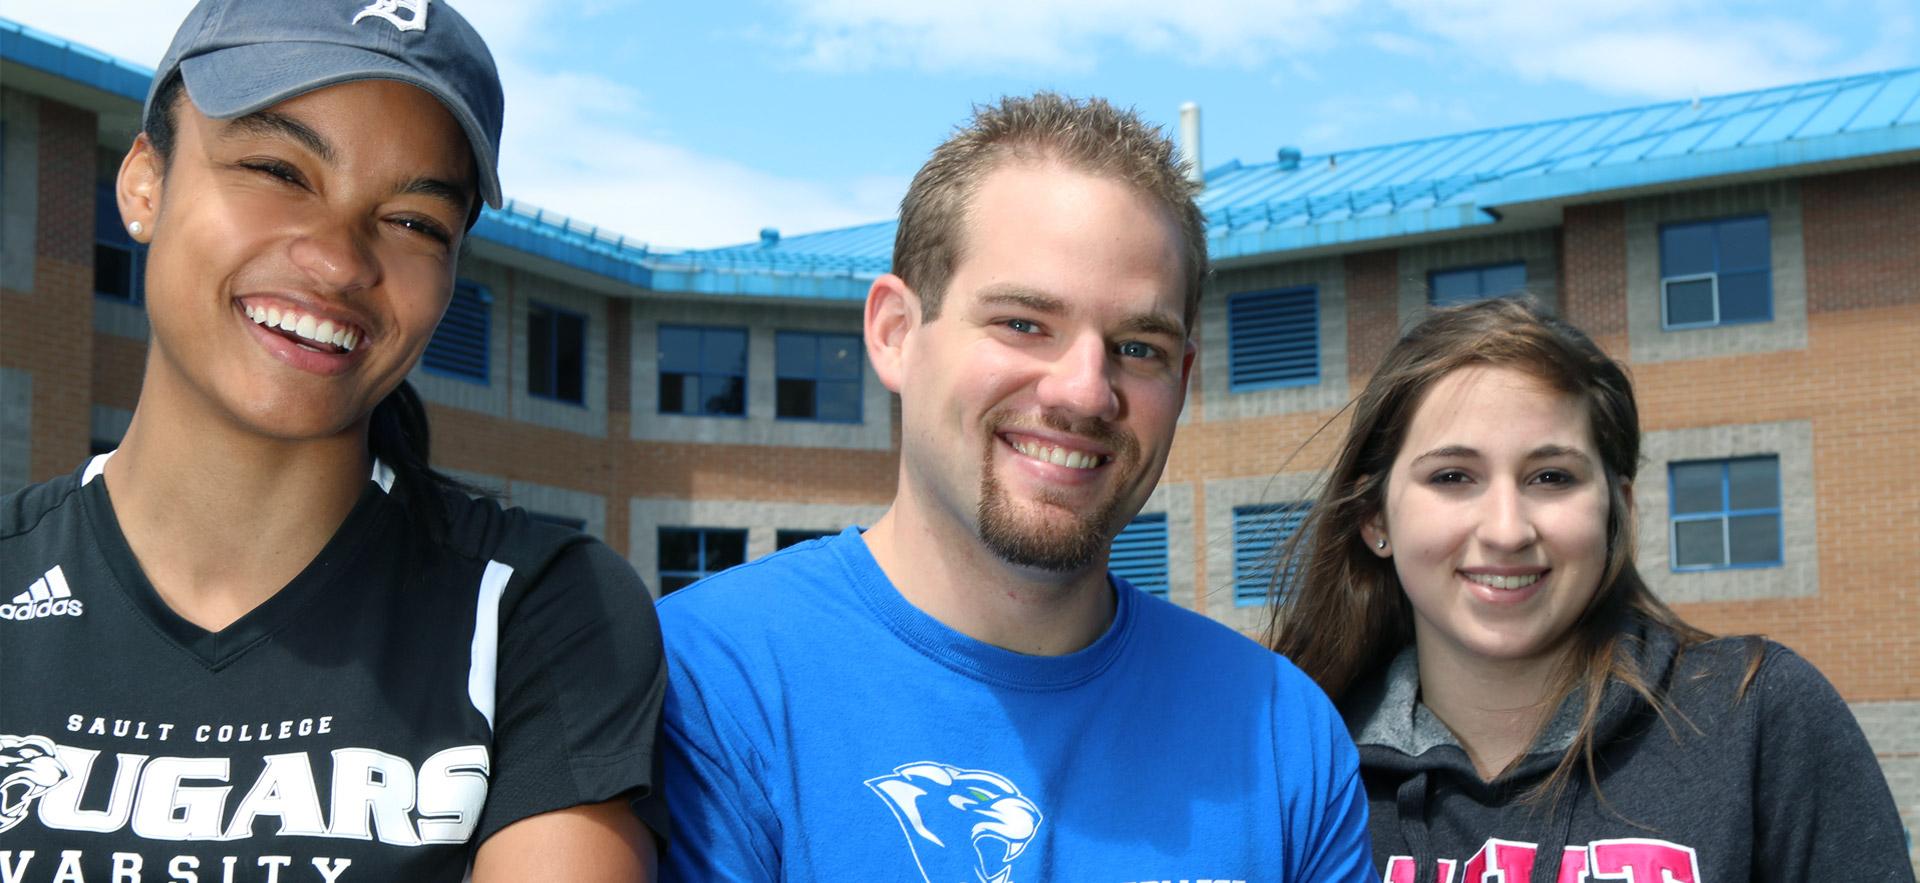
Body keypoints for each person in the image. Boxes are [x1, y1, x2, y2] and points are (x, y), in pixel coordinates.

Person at [0, 1, 666, 879]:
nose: (340, 261)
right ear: (144, 183)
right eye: (279, 169)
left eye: (415, 221)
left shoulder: (535, 609)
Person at [650, 92, 1372, 882]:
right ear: (895, 333)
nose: (1085, 391)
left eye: (1138, 345)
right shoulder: (701, 684)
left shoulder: (1279, 733)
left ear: (1184, 378)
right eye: (1024, 323)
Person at [1267, 297, 1913, 882]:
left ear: (1616, 508)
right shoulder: (1300, 762)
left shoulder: (1756, 717)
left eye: (1550, 476)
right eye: (1454, 476)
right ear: (1376, 518)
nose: (1507, 529)